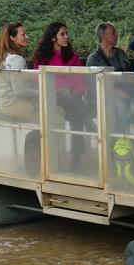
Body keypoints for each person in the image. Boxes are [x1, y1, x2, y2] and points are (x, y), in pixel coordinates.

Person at [33, 21, 91, 161]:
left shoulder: (73, 57)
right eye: (62, 34)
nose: (66, 37)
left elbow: (80, 80)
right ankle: (92, 127)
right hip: (52, 97)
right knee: (77, 108)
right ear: (53, 37)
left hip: (72, 97)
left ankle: (76, 156)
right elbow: (37, 80)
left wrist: (74, 91)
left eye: (67, 34)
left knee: (75, 116)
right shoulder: (42, 58)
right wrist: (58, 89)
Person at [0, 21, 38, 119]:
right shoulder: (16, 59)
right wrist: (42, 92)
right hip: (15, 105)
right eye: (23, 34)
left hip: (3, 104)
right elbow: (21, 91)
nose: (27, 37)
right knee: (56, 117)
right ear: (12, 38)